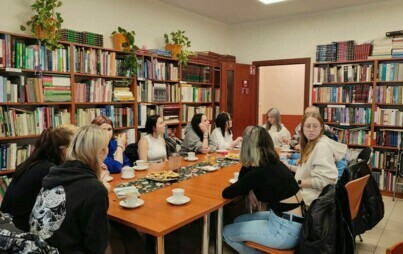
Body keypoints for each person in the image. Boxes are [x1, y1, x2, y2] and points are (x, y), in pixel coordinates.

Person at [29, 125, 110, 254]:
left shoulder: (53, 175)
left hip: (37, 247)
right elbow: (96, 245)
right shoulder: (94, 189)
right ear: (101, 152)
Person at [222, 126, 303, 253]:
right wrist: (249, 188)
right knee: (238, 220)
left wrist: (248, 184)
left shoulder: (259, 172)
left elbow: (227, 193)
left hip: (285, 230)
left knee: (226, 232)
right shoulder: (273, 163)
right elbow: (246, 181)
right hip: (292, 222)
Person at [1, 125, 76, 232]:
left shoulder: (33, 163)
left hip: (9, 224)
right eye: (73, 148)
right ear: (63, 149)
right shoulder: (49, 170)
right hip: (22, 231)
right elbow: (69, 199)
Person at [291, 112, 347, 206]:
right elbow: (308, 170)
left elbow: (324, 181)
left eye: (315, 126)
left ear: (321, 127)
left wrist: (297, 182)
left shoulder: (322, 147)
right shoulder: (312, 143)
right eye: (308, 126)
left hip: (313, 201)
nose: (311, 130)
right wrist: (289, 167)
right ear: (302, 128)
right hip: (309, 195)